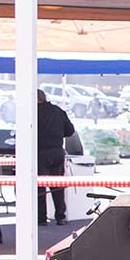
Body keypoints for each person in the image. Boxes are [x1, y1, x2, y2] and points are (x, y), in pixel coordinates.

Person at [36, 89, 73, 226]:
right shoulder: (57, 110)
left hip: (39, 152)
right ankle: (60, 216)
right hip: (57, 151)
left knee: (39, 186)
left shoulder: (32, 112)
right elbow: (70, 131)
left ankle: (41, 218)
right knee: (57, 186)